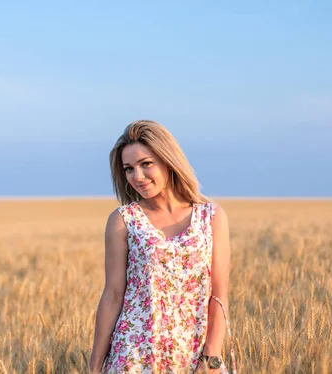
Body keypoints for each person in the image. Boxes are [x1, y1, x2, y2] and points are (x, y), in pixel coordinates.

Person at [89, 120, 237, 374]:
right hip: (133, 356)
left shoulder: (211, 216)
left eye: (146, 164)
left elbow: (219, 294)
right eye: (128, 169)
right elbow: (112, 295)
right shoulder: (124, 220)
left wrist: (212, 356)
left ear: (168, 161)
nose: (137, 177)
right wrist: (93, 366)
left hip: (194, 356)